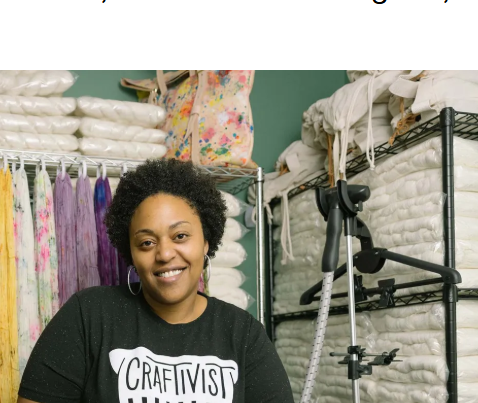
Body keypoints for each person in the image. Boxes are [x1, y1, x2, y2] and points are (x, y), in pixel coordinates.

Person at [20, 159, 291, 403]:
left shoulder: (243, 334)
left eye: (180, 236)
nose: (164, 253)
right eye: (147, 242)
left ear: (206, 242)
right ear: (132, 254)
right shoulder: (88, 315)